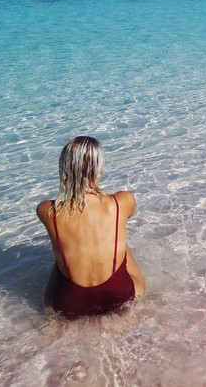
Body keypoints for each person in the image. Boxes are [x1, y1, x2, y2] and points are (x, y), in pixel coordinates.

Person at [37, 136, 145, 318]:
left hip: (70, 302)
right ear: (100, 167)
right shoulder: (123, 201)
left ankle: (49, 311)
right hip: (118, 296)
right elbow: (130, 214)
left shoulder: (47, 210)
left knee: (61, 253)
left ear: (64, 169)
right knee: (121, 243)